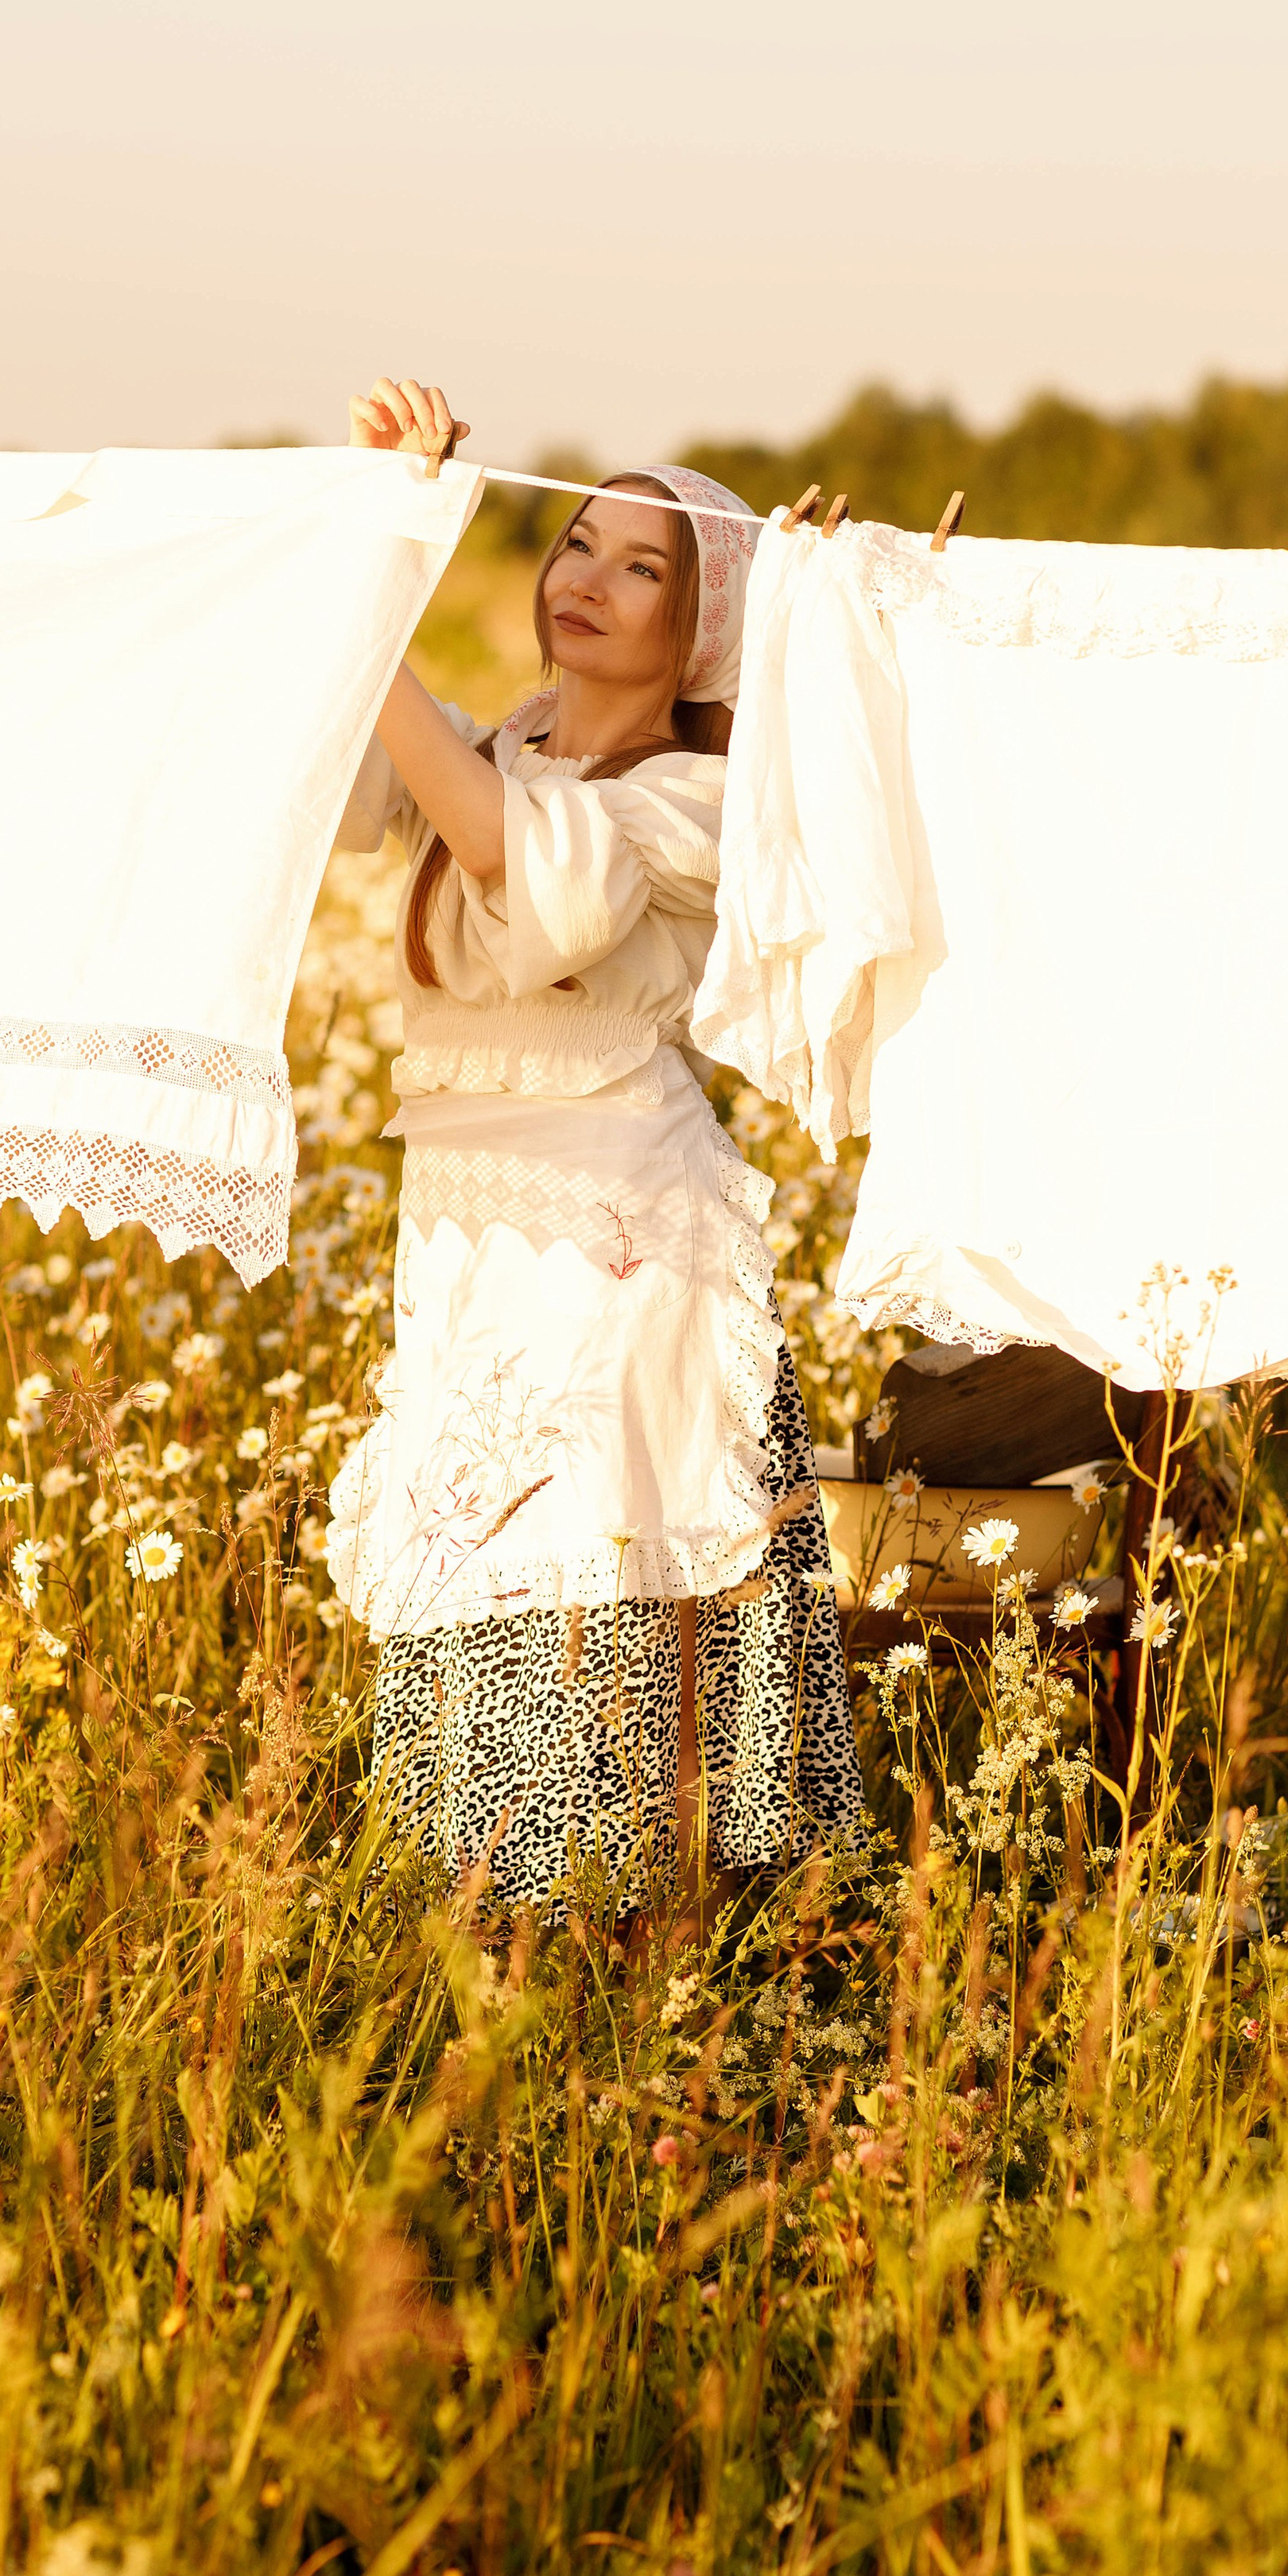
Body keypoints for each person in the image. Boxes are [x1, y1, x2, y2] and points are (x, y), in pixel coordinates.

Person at [324, 374, 860, 1918]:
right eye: (573, 542)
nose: (586, 583)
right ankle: (485, 1925)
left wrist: (378, 626)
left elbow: (521, 864)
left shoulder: (701, 797)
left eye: (643, 566)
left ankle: (633, 1941)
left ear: (701, 624)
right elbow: (354, 768)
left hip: (616, 1236)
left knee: (602, 1559)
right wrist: (385, 526)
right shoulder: (502, 743)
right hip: (465, 1224)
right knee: (471, 1545)